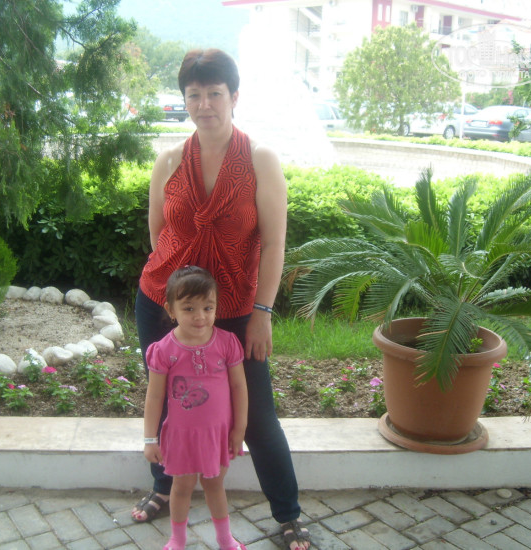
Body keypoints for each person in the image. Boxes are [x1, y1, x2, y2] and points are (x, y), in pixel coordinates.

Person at [131, 48, 312, 550]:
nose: (204, 104)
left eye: (215, 93)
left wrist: (262, 311)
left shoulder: (259, 160)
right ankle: (164, 486)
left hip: (233, 310)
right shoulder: (169, 160)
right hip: (164, 304)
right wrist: (177, 305)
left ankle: (288, 514)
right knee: (169, 396)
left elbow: (274, 244)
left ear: (234, 96)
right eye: (194, 95)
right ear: (185, 99)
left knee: (257, 415)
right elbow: (159, 234)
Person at [143, 266, 248, 550]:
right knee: (181, 488)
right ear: (171, 310)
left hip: (218, 435)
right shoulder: (164, 350)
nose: (200, 316)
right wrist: (150, 439)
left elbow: (239, 387)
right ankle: (177, 540)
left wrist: (239, 429)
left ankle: (225, 539)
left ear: (216, 307)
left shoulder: (227, 343)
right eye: (189, 308)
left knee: (215, 486)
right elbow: (154, 397)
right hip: (182, 436)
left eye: (207, 307)